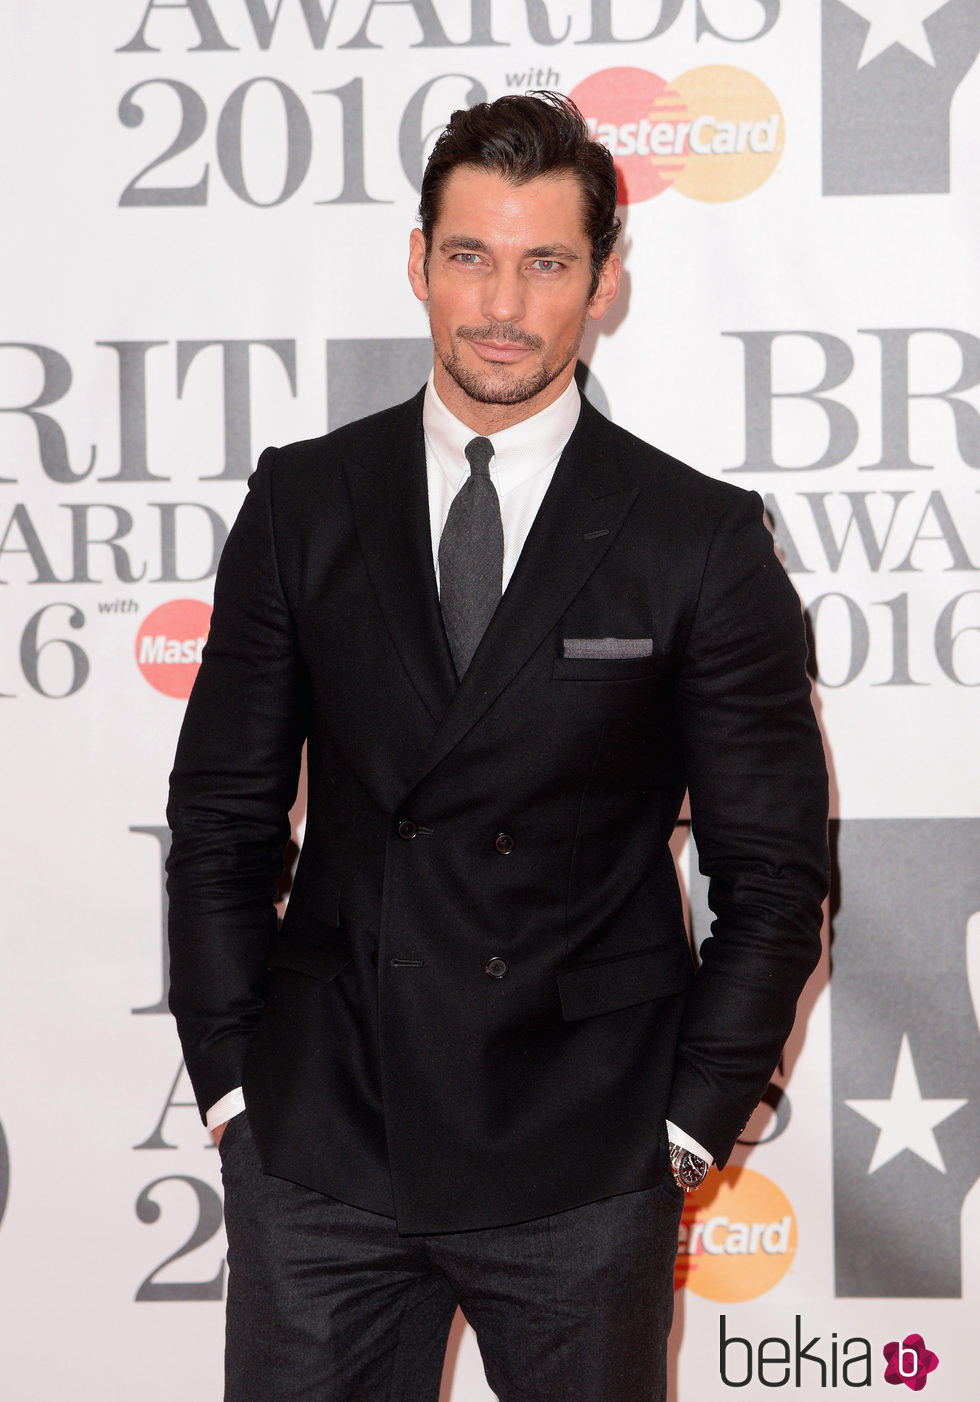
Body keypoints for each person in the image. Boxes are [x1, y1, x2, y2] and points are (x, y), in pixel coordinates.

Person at [166, 91, 829, 1402]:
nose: (503, 304)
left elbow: (774, 873)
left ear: (605, 284)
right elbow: (224, 824)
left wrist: (689, 1126)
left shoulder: (696, 538)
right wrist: (240, 1092)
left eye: (546, 263)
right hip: (325, 1141)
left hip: (585, 1152)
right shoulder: (305, 501)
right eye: (469, 255)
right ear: (417, 263)